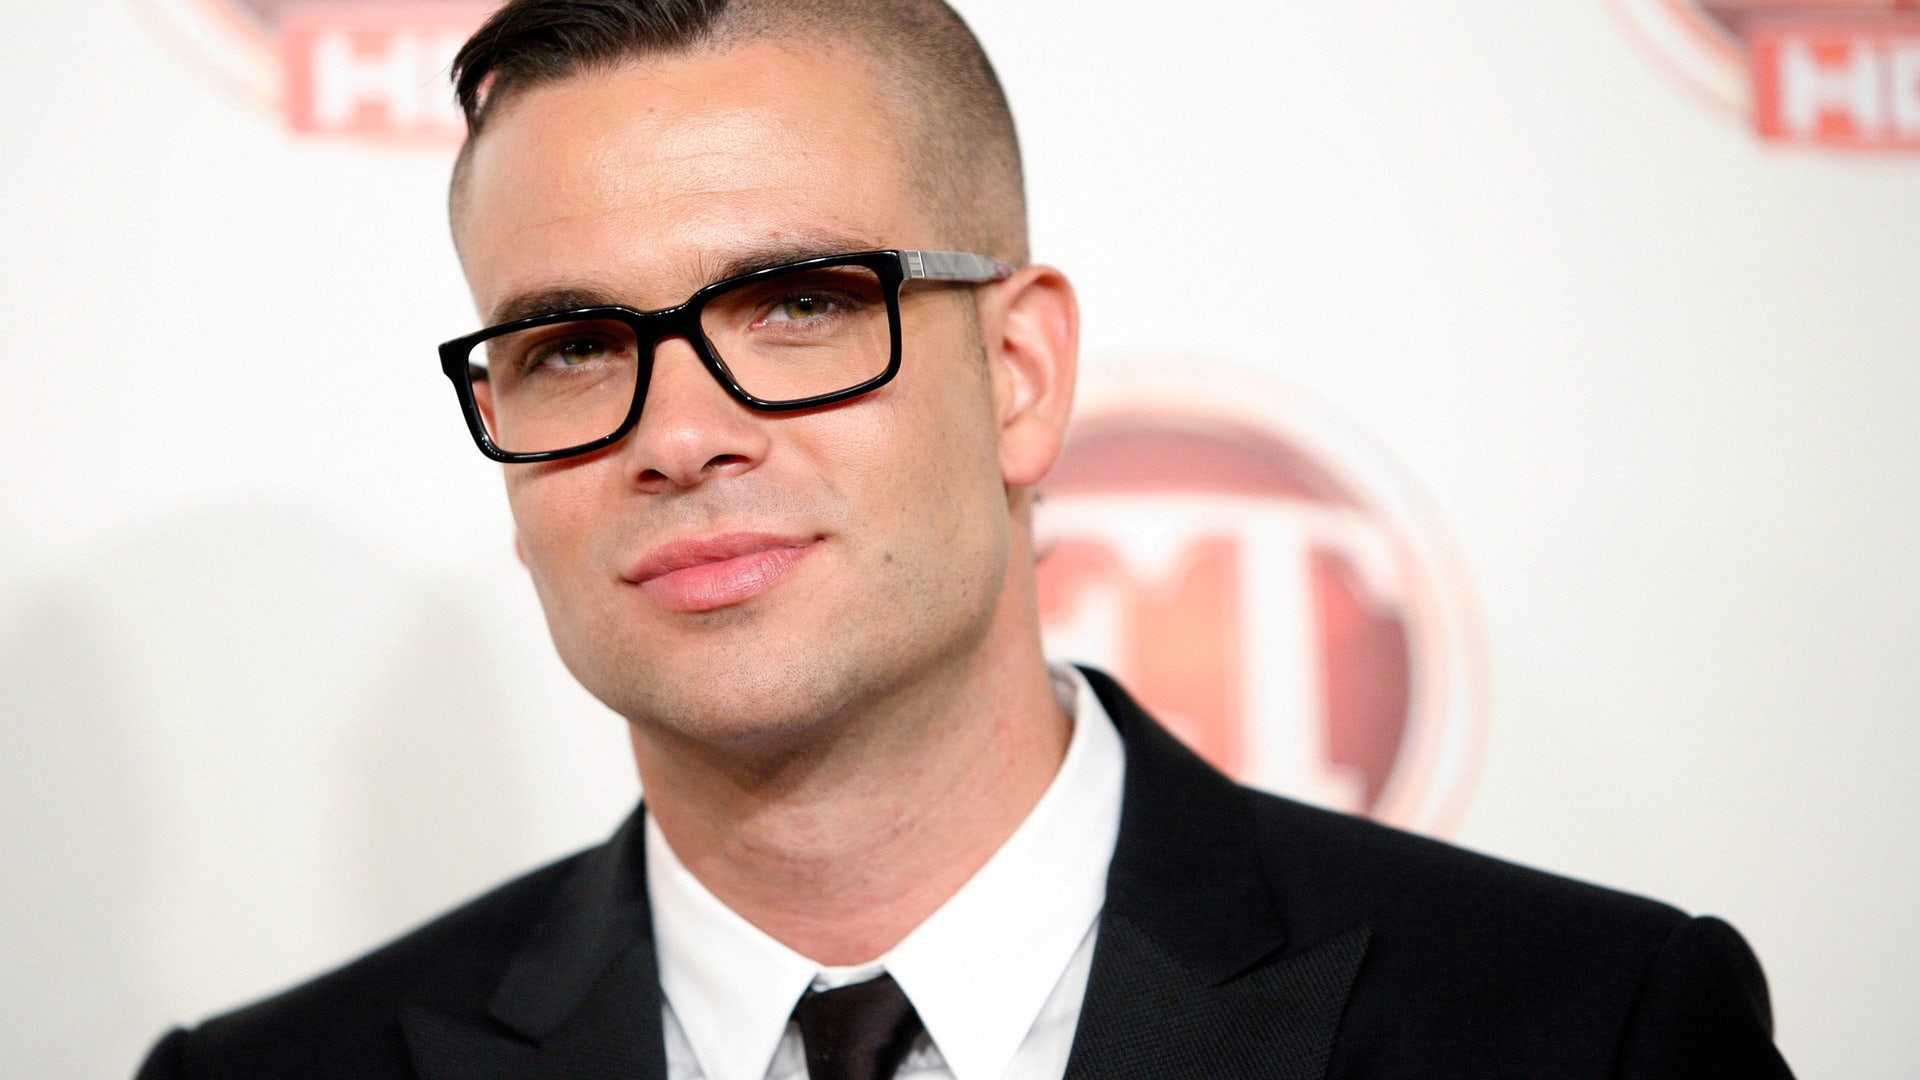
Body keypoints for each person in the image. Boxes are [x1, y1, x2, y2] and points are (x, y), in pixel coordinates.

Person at [135, 1, 1796, 1077]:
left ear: (1019, 376)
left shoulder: (1588, 1034)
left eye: (795, 305)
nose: (679, 431)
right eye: (571, 346)